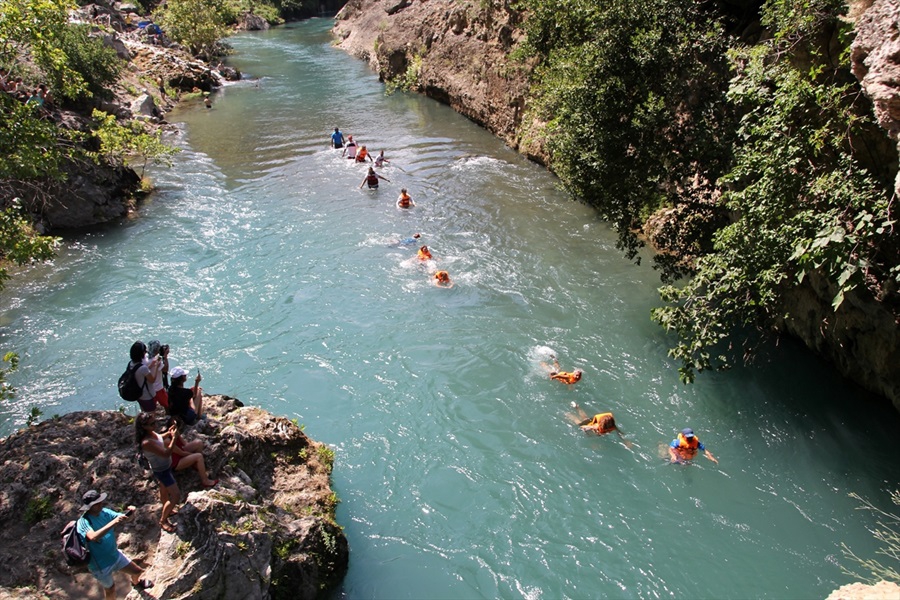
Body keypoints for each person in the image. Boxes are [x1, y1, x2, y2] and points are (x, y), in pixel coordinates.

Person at [76, 490, 153, 598]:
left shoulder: (105, 512)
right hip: (100, 566)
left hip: (115, 555)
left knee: (137, 571)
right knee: (110, 589)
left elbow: (123, 518)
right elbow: (93, 537)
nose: (100, 504)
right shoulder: (83, 522)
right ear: (90, 507)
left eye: (100, 502)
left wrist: (130, 513)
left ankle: (136, 583)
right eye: (97, 503)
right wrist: (114, 522)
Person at [135, 412, 180, 532]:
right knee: (176, 495)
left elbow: (160, 438)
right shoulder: (147, 442)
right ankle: (163, 521)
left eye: (155, 422)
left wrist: (169, 432)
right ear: (144, 426)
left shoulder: (152, 434)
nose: (155, 425)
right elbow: (166, 454)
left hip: (165, 467)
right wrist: (174, 438)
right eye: (152, 424)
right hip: (162, 471)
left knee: (164, 490)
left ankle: (167, 509)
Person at [168, 416, 218, 487]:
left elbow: (185, 443)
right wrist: (193, 455)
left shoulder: (176, 433)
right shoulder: (168, 440)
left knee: (198, 442)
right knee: (199, 456)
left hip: (181, 454)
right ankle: (205, 481)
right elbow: (181, 453)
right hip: (176, 463)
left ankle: (197, 465)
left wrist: (192, 448)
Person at [568, 403, 632, 446]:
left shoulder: (612, 425)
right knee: (578, 421)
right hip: (588, 423)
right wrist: (594, 443)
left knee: (585, 417)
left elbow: (618, 432)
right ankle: (568, 414)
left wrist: (625, 441)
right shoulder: (596, 426)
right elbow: (583, 428)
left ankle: (577, 407)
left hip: (591, 420)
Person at [129, 341, 160, 413]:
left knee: (144, 412)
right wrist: (156, 366)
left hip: (138, 394)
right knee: (151, 414)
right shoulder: (143, 368)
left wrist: (150, 365)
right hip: (147, 395)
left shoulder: (131, 363)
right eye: (144, 351)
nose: (146, 352)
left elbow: (140, 372)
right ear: (141, 353)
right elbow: (152, 380)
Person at [146, 340, 169, 409]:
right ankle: (170, 418)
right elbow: (165, 369)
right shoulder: (156, 361)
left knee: (151, 408)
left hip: (148, 388)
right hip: (158, 388)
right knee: (167, 404)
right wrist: (165, 356)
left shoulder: (145, 359)